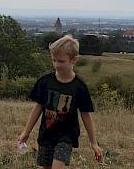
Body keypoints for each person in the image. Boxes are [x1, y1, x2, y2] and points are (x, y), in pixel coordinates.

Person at [17, 35, 103, 168]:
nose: (57, 64)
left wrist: (94, 143)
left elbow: (85, 115)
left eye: (61, 61)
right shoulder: (45, 82)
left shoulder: (79, 87)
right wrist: (26, 132)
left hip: (66, 136)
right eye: (54, 60)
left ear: (74, 60)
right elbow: (38, 108)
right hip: (46, 134)